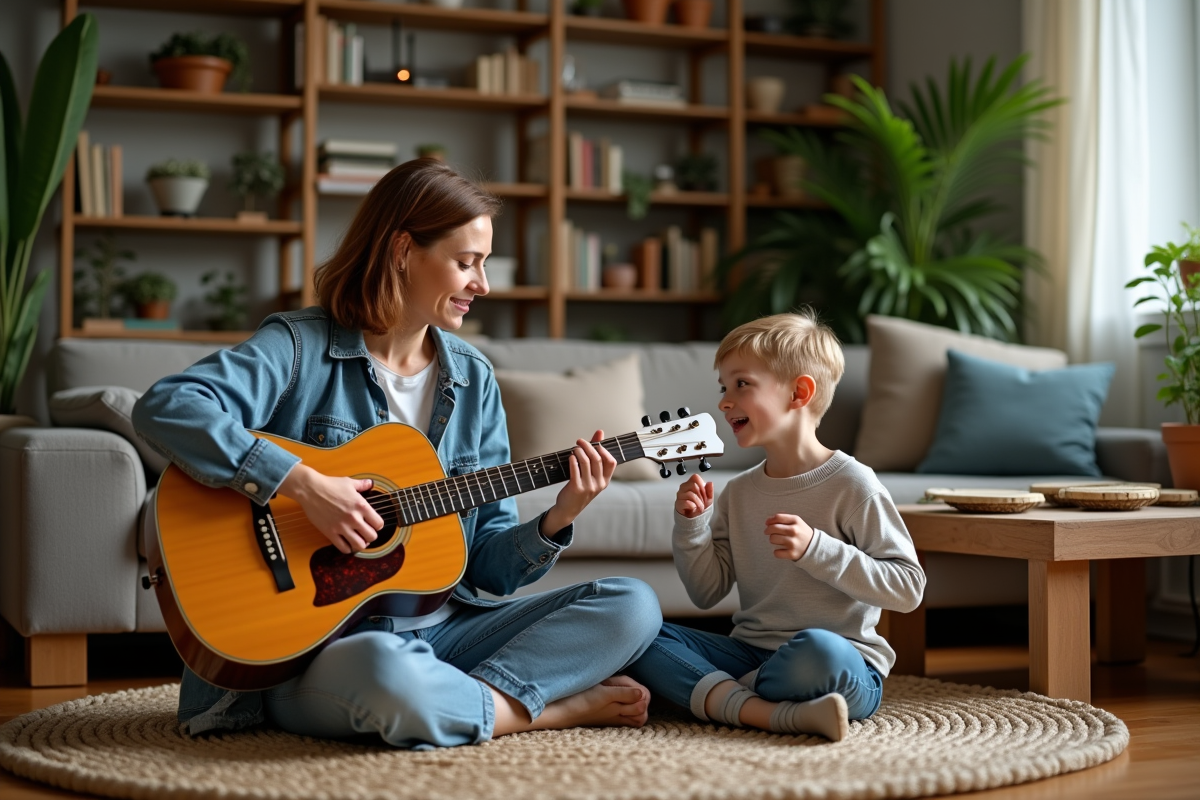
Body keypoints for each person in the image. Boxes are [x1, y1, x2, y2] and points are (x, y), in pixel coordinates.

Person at [132, 158, 661, 750]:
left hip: (447, 629)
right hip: (319, 651)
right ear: (403, 250)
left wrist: (560, 516)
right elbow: (168, 406)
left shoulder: (474, 379)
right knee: (385, 672)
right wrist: (302, 484)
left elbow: (486, 567)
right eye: (466, 263)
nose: (482, 286)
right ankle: (541, 710)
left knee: (633, 605)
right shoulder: (299, 347)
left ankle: (451, 702)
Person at [625, 311, 926, 741]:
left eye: (741, 385)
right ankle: (764, 708)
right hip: (750, 653)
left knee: (819, 651)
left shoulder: (854, 485)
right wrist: (692, 528)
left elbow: (908, 588)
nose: (725, 402)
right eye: (723, 388)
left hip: (842, 663)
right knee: (635, 632)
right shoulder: (740, 492)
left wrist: (818, 550)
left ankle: (724, 697)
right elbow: (706, 592)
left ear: (799, 392)